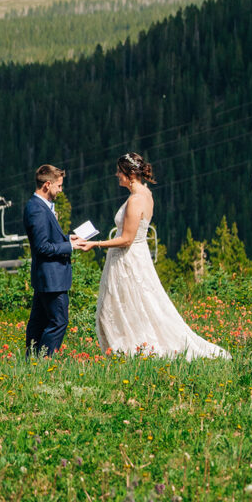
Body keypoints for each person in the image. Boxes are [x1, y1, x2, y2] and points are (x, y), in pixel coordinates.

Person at [81, 152, 231, 360]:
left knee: (120, 307)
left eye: (120, 172)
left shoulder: (136, 200)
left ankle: (128, 350)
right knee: (133, 305)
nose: (117, 175)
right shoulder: (146, 194)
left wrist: (95, 244)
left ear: (130, 173)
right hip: (134, 257)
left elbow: (126, 239)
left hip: (128, 260)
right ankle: (124, 350)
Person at [23, 163, 85, 356]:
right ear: (47, 185)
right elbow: (42, 247)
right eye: (59, 186)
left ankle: (32, 359)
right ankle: (44, 359)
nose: (61, 190)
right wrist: (70, 246)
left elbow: (48, 240)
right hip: (52, 279)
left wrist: (67, 238)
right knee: (59, 321)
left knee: (39, 321)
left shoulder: (39, 206)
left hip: (47, 277)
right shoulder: (38, 210)